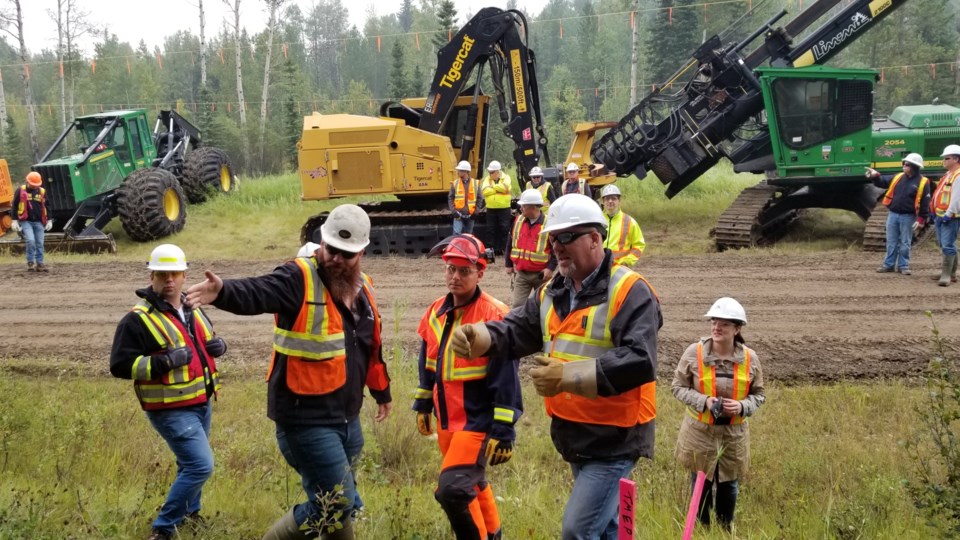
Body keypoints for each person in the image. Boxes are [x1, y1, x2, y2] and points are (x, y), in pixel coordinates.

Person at [450, 193, 661, 539]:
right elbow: (519, 328)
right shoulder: (554, 290)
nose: (556, 247)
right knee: (607, 530)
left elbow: (640, 361)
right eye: (552, 238)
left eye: (566, 237)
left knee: (577, 531)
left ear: (595, 238)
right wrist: (481, 336)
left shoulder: (630, 291)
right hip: (576, 433)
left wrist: (567, 376)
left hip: (616, 437)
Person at [185, 204, 392, 540]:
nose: (336, 260)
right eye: (331, 250)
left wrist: (381, 392)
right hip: (305, 420)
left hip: (347, 419)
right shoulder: (298, 277)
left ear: (362, 253)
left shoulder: (363, 288)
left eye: (347, 254)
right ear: (321, 244)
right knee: (336, 503)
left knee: (337, 504)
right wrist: (223, 292)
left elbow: (371, 345)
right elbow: (259, 291)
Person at [110, 244, 227, 540]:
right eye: (162, 274)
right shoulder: (137, 319)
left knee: (188, 464)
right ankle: (163, 529)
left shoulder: (192, 308)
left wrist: (219, 346)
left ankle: (190, 513)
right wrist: (162, 362)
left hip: (201, 401)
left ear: (185, 274)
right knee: (201, 465)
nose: (169, 280)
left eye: (174, 273)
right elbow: (120, 365)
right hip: (170, 409)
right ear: (152, 276)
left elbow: (206, 341)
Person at [413, 234, 522, 540]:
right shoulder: (435, 311)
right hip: (448, 422)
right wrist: (423, 402)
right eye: (450, 269)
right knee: (473, 485)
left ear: (480, 272)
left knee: (452, 490)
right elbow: (428, 362)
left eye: (464, 271)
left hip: (477, 422)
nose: (455, 277)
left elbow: (507, 378)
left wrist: (503, 430)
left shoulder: (494, 315)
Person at [671, 297, 765, 532]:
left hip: (734, 434)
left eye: (723, 323)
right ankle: (702, 530)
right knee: (701, 483)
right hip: (700, 433)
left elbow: (759, 395)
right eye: (714, 321)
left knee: (729, 486)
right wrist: (704, 401)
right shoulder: (694, 353)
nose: (716, 327)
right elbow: (677, 387)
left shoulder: (750, 358)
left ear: (737, 329)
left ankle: (725, 529)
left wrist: (743, 407)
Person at [865, 152, 931, 275]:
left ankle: (903, 266)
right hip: (893, 214)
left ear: (914, 167)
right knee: (891, 241)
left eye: (906, 164)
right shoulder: (898, 177)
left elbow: (925, 202)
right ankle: (888, 265)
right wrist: (875, 176)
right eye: (904, 163)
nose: (904, 166)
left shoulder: (923, 182)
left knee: (905, 242)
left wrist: (922, 219)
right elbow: (883, 181)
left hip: (908, 216)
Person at [505, 189, 555, 308]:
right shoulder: (518, 220)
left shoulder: (549, 224)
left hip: (541, 275)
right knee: (517, 306)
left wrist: (551, 268)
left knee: (544, 306)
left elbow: (557, 250)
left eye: (523, 206)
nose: (520, 209)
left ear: (533, 207)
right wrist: (508, 264)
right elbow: (510, 242)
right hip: (522, 274)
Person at [11, 171, 52, 272]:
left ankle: (40, 263)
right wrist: (14, 220)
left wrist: (50, 220)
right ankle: (30, 262)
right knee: (30, 240)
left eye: (36, 185)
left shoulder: (42, 191)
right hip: (26, 221)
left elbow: (48, 206)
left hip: (39, 222)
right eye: (33, 185)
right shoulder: (20, 190)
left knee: (39, 243)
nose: (34, 187)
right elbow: (14, 205)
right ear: (27, 182)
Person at [931, 144, 960, 286]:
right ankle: (950, 273)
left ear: (956, 159)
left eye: (947, 158)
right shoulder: (948, 175)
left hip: (950, 217)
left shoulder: (958, 175)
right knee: (944, 244)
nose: (944, 160)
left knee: (948, 245)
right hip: (940, 215)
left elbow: (956, 198)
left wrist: (949, 214)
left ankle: (947, 275)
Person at [600, 184, 646, 267]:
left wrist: (627, 261)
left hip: (620, 268)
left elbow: (639, 245)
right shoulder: (597, 220)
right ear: (603, 201)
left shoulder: (629, 222)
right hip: (599, 267)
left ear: (619, 200)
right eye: (607, 199)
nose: (610, 201)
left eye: (613, 198)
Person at [480, 160, 514, 255]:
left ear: (498, 171)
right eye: (489, 172)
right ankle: (490, 251)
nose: (490, 174)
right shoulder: (487, 179)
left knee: (504, 229)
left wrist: (492, 187)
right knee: (490, 230)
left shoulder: (506, 177)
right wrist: (498, 189)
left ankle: (505, 250)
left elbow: (506, 188)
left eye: (492, 172)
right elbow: (484, 191)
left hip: (504, 208)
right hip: (491, 208)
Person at [450, 160, 484, 235]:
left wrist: (476, 212)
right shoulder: (455, 183)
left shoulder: (475, 183)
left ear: (465, 172)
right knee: (456, 234)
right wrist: (454, 211)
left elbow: (479, 198)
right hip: (458, 215)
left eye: (459, 170)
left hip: (470, 215)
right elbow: (451, 198)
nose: (457, 172)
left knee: (469, 235)